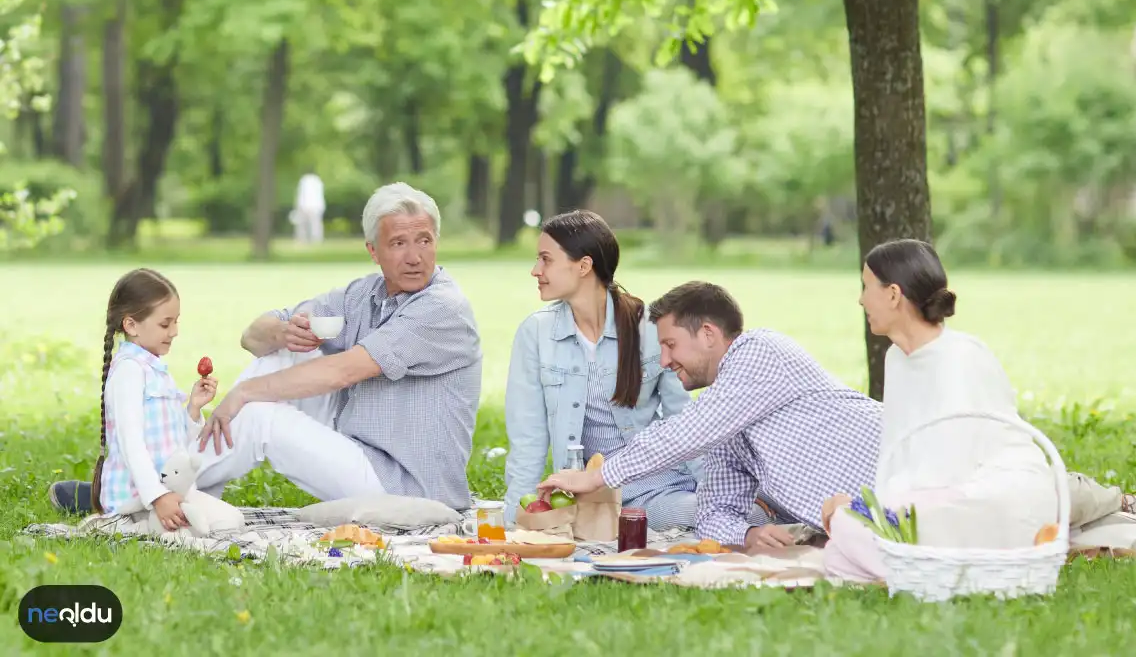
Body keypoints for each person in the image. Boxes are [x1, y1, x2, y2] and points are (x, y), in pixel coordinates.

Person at [193, 182, 482, 509]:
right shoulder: (365, 295)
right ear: (373, 251)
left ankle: (165, 485)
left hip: (405, 487)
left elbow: (343, 371)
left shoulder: (443, 308)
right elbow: (252, 336)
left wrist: (244, 392)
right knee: (287, 348)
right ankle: (188, 483)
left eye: (424, 241)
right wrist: (282, 332)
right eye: (399, 243)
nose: (415, 257)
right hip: (358, 448)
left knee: (259, 416)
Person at [538, 280, 882, 550]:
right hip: (860, 518)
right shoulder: (725, 419)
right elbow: (713, 512)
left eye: (671, 344)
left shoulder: (760, 352)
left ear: (707, 334)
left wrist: (596, 478)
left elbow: (686, 432)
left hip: (902, 477)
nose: (664, 361)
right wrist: (748, 535)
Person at [820, 239, 1059, 581]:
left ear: (892, 294)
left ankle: (920, 567)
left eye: (865, 286)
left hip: (990, 499)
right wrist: (871, 507)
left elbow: (952, 468)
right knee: (838, 554)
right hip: (935, 502)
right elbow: (898, 454)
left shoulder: (960, 358)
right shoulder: (896, 358)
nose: (860, 299)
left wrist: (861, 509)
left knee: (847, 526)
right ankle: (912, 564)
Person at [503, 210, 699, 529]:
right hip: (589, 494)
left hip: (657, 486)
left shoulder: (648, 327)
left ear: (583, 266)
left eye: (546, 259)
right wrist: (514, 519)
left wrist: (714, 493)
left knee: (702, 511)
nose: (535, 270)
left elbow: (687, 424)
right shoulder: (536, 333)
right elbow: (528, 438)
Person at [50, 269, 219, 527]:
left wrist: (193, 409)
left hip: (164, 493)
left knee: (228, 520)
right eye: (165, 323)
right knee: (203, 528)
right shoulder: (129, 371)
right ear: (131, 325)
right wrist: (157, 497)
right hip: (136, 500)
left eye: (176, 321)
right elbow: (132, 445)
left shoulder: (155, 370)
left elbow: (173, 445)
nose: (174, 331)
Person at [293, 172, 326, 244]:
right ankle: (316, 239)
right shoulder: (318, 180)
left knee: (303, 224)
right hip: (316, 206)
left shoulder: (304, 180)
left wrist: (298, 205)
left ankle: (302, 239)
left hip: (306, 205)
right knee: (315, 224)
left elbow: (301, 194)